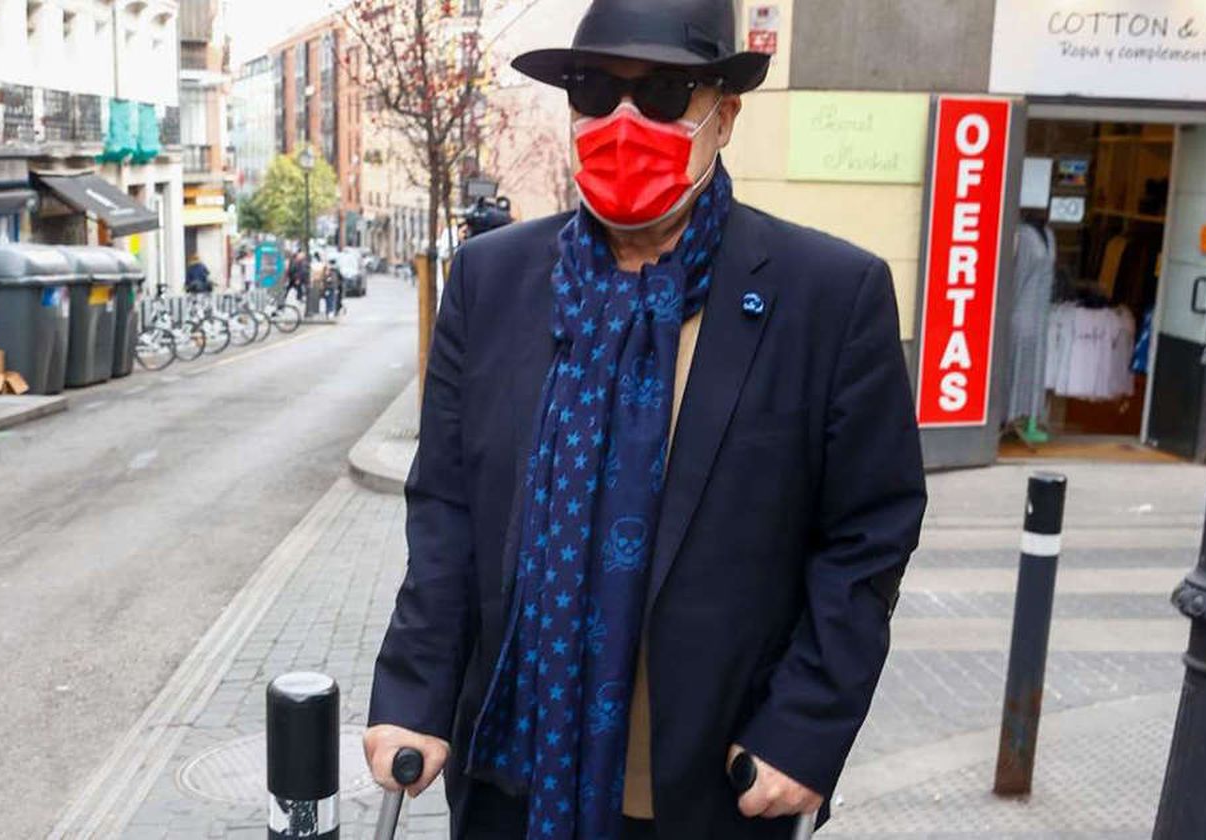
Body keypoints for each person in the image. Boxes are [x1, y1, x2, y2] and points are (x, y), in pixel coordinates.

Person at [363, 1, 927, 838]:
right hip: (514, 777)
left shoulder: (829, 295)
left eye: (664, 93)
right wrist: (415, 693)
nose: (623, 121)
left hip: (708, 786)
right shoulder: (492, 281)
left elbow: (867, 531)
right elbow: (446, 505)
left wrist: (804, 728)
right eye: (595, 89)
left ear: (723, 114)